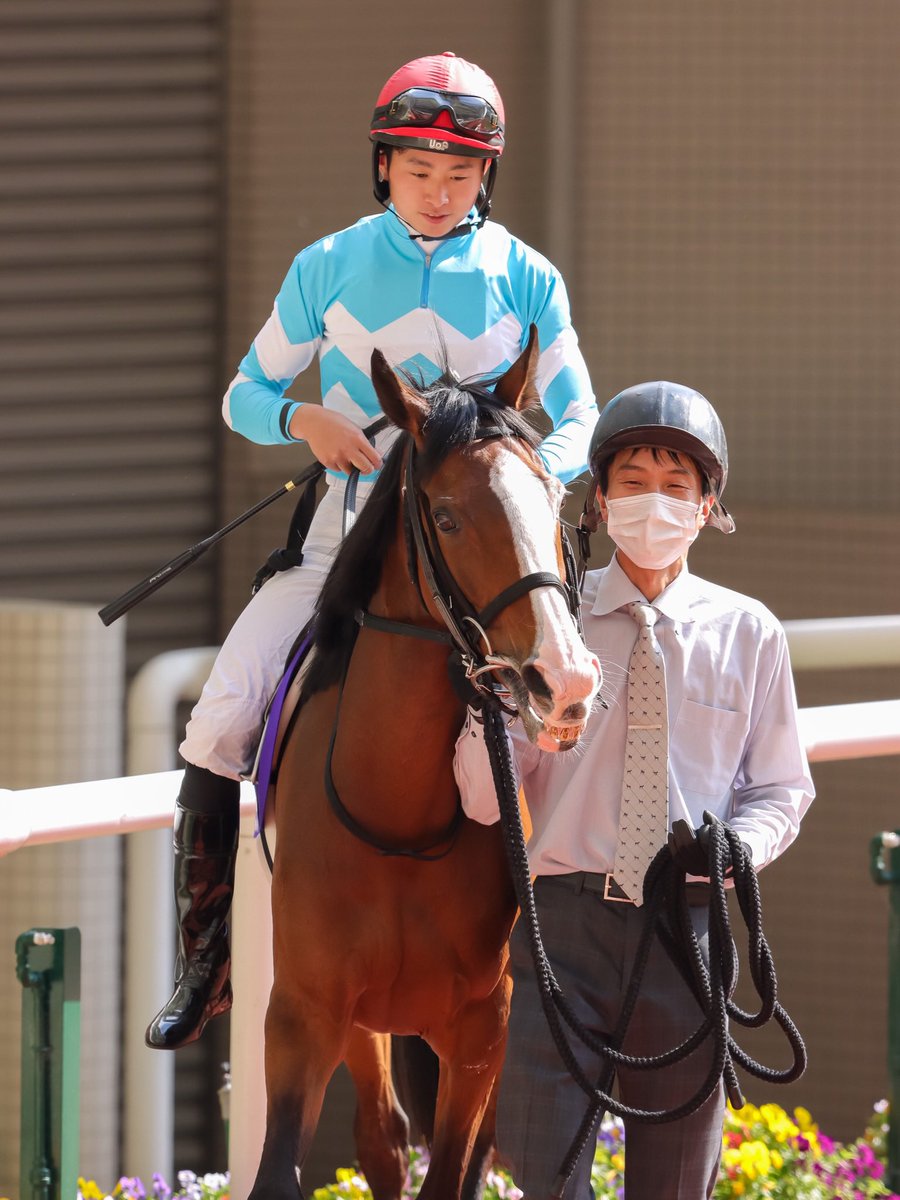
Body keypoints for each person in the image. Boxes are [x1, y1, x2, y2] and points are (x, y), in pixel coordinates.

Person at [145, 51, 599, 1050]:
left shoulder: (528, 276)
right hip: (342, 547)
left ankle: (557, 952)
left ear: (487, 176)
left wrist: (528, 478)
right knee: (218, 719)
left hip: (481, 569)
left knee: (574, 706)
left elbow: (581, 416)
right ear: (383, 165)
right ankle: (206, 958)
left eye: (461, 173)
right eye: (419, 169)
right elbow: (244, 394)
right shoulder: (328, 265)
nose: (439, 192)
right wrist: (304, 419)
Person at [453, 381, 815, 1199]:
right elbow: (482, 801)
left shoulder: (750, 632)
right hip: (561, 926)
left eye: (676, 486)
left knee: (675, 1185)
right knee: (544, 1174)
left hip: (688, 931)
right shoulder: (549, 624)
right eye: (634, 482)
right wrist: (488, 709)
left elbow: (782, 788)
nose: (655, 502)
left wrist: (737, 847)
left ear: (707, 506)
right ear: (599, 501)